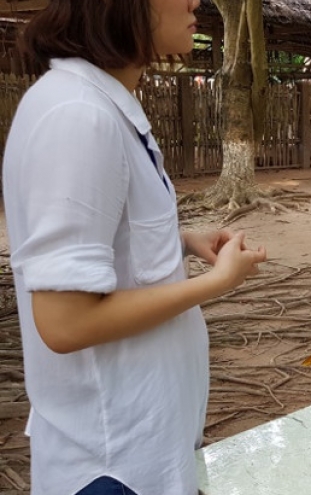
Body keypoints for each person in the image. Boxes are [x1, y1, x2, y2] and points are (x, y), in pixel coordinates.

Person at [2, 1, 268, 493]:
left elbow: (102, 249)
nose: (196, 2)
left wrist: (181, 241)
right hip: (111, 465)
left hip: (140, 450)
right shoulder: (78, 116)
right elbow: (65, 320)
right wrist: (216, 282)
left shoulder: (100, 104)